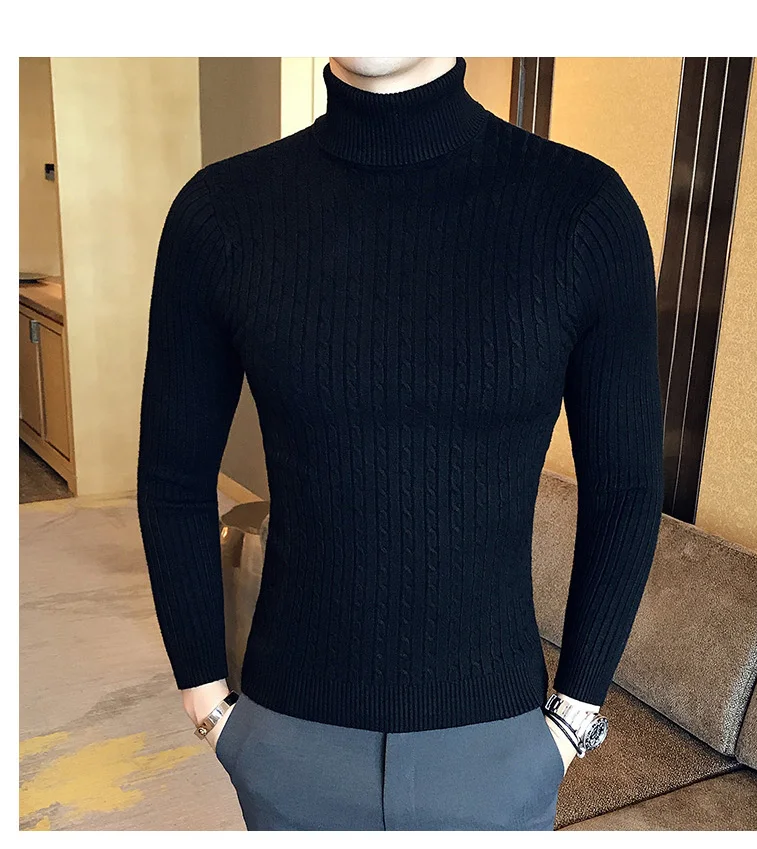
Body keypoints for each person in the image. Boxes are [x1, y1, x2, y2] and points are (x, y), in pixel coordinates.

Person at [136, 56, 664, 830]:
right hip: (287, 743)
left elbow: (626, 487)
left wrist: (574, 716)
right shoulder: (220, 214)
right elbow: (173, 478)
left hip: (497, 750)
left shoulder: (582, 210)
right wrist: (208, 705)